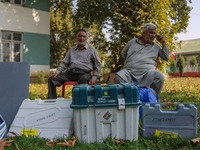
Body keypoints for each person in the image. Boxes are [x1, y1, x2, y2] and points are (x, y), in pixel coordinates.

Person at [114, 23, 169, 96]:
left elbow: (166, 57)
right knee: (119, 77)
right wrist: (132, 62)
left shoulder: (156, 46)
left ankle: (153, 99)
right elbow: (123, 53)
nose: (153, 35)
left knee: (159, 77)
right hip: (130, 72)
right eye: (151, 32)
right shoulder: (132, 42)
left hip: (147, 73)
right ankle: (127, 101)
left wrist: (163, 43)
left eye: (154, 33)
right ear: (143, 33)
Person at [48, 29, 101, 99]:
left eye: (83, 36)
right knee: (52, 79)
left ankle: (81, 103)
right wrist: (57, 72)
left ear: (86, 38)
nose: (82, 38)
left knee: (84, 81)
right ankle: (52, 102)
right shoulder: (72, 50)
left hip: (84, 73)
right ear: (76, 37)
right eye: (79, 36)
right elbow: (64, 63)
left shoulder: (91, 49)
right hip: (71, 73)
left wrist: (94, 78)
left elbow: (97, 64)